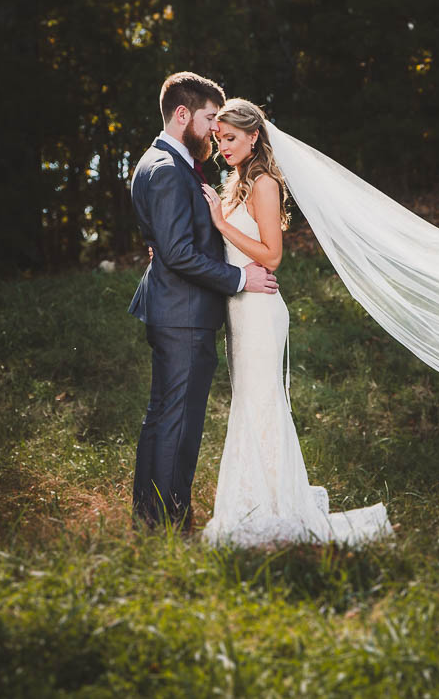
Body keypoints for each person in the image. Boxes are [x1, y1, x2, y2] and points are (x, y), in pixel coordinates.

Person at [197, 99, 394, 548]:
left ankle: (273, 507)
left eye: (231, 138)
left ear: (253, 137)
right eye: (219, 139)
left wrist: (220, 225)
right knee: (250, 403)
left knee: (261, 403)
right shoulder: (235, 182)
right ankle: (259, 499)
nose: (223, 146)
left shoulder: (263, 183)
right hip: (240, 309)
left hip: (261, 310)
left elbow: (271, 255)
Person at [128, 73, 279, 534]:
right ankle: (170, 524)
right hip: (185, 315)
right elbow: (177, 252)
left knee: (162, 418)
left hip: (174, 310)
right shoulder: (169, 169)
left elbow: (171, 240)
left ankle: (150, 519)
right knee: (179, 424)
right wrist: (238, 277)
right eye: (210, 117)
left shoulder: (159, 163)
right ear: (182, 115)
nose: (215, 129)